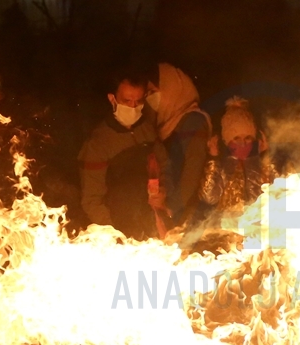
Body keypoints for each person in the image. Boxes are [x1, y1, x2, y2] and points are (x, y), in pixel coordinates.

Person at [78, 71, 171, 240]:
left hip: (151, 225)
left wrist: (163, 191)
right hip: (120, 229)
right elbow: (92, 200)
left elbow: (164, 165)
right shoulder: (98, 143)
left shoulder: (146, 129)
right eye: (127, 101)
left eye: (138, 101)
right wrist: (115, 236)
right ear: (112, 99)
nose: (133, 107)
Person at [145, 63, 211, 226]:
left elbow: (192, 170)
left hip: (187, 212)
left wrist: (171, 206)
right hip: (171, 207)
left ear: (171, 89)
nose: (149, 98)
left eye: (153, 92)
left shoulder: (193, 121)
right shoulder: (166, 124)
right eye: (148, 93)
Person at [200, 96, 275, 212]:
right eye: (236, 138)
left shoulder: (259, 164)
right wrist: (213, 159)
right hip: (229, 222)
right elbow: (209, 197)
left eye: (248, 138)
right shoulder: (222, 166)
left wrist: (265, 156)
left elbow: (276, 190)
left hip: (259, 219)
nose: (243, 143)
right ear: (227, 140)